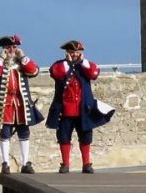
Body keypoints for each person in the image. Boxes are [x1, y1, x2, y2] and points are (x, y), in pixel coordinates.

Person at [47, 40, 113, 173]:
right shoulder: (60, 65)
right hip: (65, 109)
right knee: (64, 137)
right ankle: (65, 164)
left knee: (86, 138)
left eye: (77, 52)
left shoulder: (85, 65)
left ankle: (87, 164)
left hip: (83, 109)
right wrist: (67, 63)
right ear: (67, 53)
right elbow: (57, 74)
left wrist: (83, 62)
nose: (75, 55)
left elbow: (94, 74)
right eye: (72, 52)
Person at [0, 35, 42, 174]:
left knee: (24, 131)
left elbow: (34, 71)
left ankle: (25, 163)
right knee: (5, 132)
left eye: (14, 47)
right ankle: (5, 163)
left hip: (21, 103)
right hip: (5, 104)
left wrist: (23, 57)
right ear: (4, 49)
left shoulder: (21, 63)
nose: (12, 49)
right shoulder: (0, 63)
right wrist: (1, 58)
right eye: (8, 47)